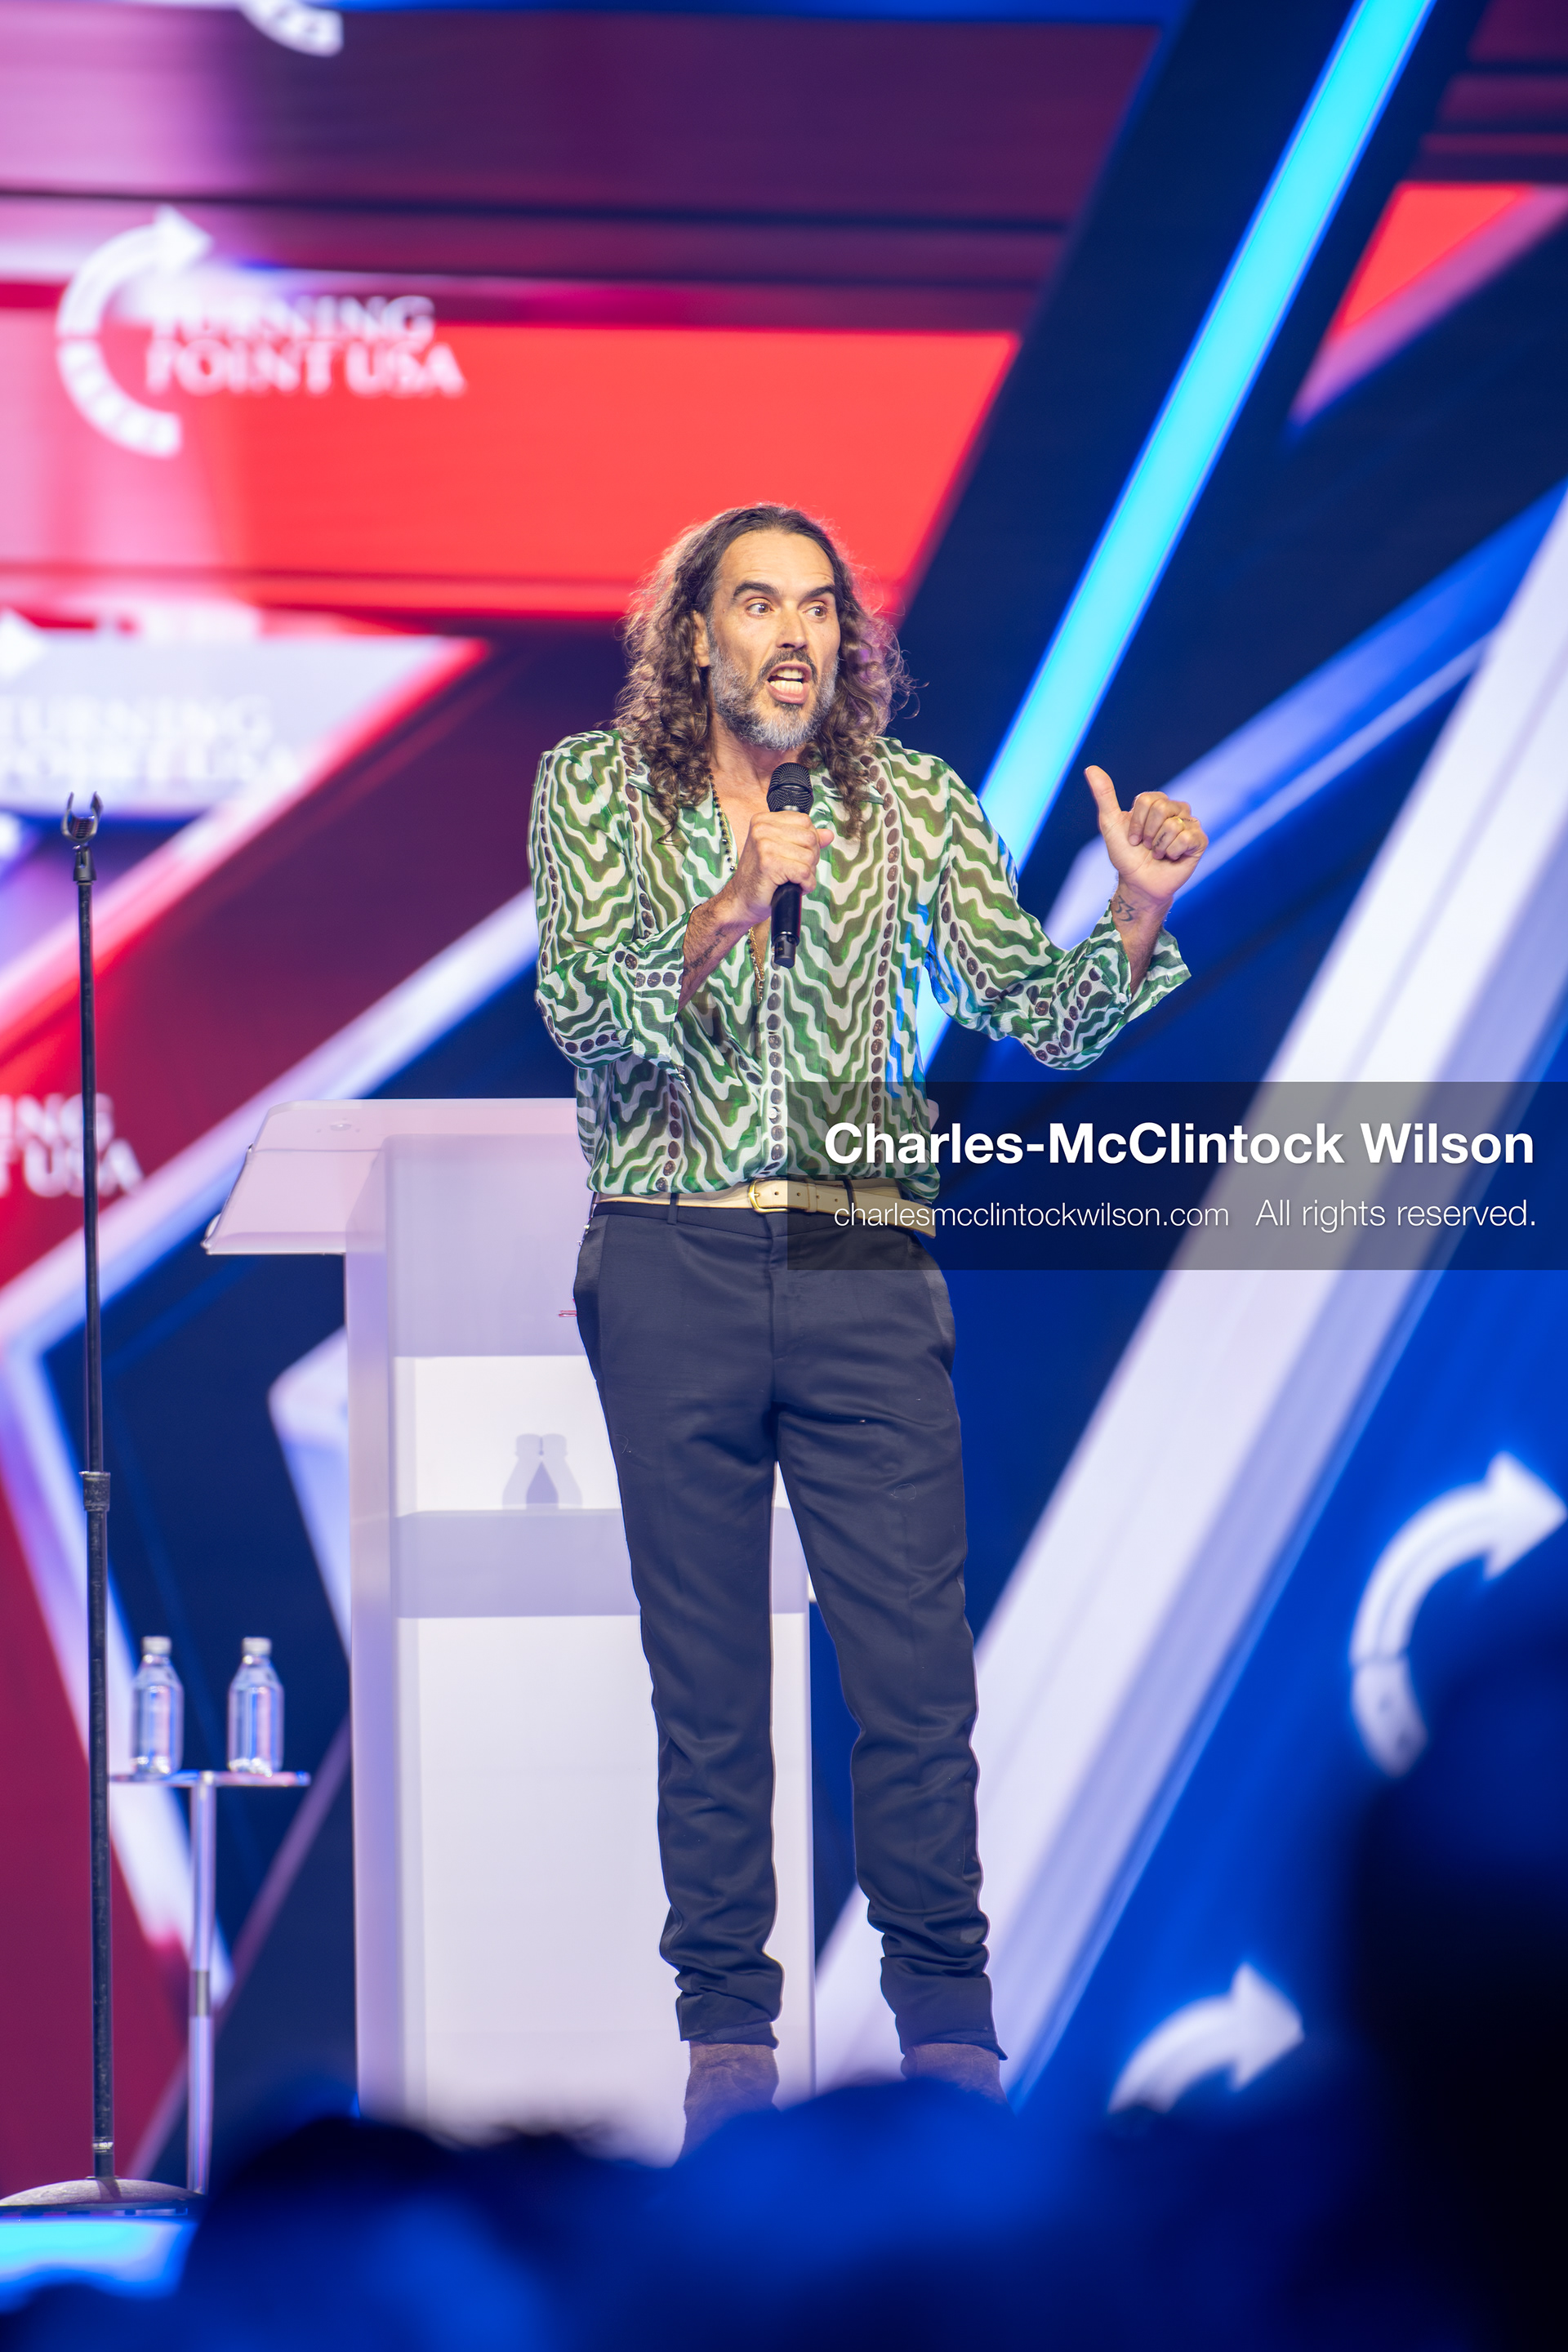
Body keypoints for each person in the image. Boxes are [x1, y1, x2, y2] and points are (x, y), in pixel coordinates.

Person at [531, 502, 1206, 2149]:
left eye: (818, 611)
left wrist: (1131, 918)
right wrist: (727, 910)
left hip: (859, 1257)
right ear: (696, 636)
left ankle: (951, 2058)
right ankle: (730, 2062)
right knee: (707, 1689)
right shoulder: (597, 791)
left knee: (913, 1678)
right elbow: (586, 1018)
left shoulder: (914, 804)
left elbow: (1041, 1018)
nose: (791, 636)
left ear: (845, 643)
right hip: (674, 1251)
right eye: (756, 604)